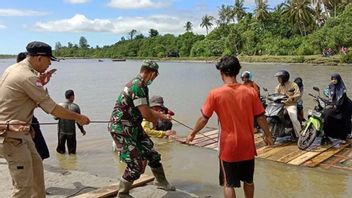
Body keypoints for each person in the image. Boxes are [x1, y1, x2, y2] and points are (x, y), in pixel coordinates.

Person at [0, 41, 90, 198]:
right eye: (49, 60)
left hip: (23, 134)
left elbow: (21, 95)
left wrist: (40, 83)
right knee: (23, 187)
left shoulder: (15, 69)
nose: (49, 64)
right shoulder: (27, 76)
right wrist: (79, 118)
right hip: (11, 136)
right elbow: (52, 109)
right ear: (39, 58)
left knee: (37, 177)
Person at [186, 56, 273, 198]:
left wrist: (193, 133)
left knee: (228, 183)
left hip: (228, 146)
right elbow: (261, 117)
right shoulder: (250, 91)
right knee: (249, 181)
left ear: (221, 73)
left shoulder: (215, 93)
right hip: (247, 144)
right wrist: (268, 135)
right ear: (238, 71)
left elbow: (204, 118)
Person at [108, 60, 175, 198]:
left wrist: (161, 116)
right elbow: (146, 114)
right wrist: (155, 121)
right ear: (151, 73)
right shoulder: (137, 86)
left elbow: (145, 109)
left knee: (152, 154)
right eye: (155, 76)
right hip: (122, 129)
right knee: (136, 165)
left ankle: (161, 182)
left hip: (134, 126)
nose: (154, 79)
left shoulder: (143, 86)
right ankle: (123, 193)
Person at [17, 52, 50, 160]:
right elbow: (47, 105)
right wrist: (78, 117)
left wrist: (41, 84)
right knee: (41, 152)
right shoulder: (25, 78)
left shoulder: (16, 75)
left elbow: (31, 100)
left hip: (26, 119)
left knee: (40, 153)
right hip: (22, 121)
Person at [322, 73, 352, 144]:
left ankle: (343, 137)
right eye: (332, 79)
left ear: (338, 79)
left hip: (343, 107)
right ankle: (327, 134)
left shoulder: (342, 88)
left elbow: (341, 100)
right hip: (334, 105)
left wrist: (335, 105)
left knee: (341, 120)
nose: (333, 81)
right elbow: (328, 94)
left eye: (335, 79)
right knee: (325, 114)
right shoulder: (330, 86)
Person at [56, 89, 86, 154]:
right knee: (72, 153)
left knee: (61, 152)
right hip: (71, 133)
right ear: (72, 96)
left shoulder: (59, 106)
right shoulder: (75, 107)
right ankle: (72, 164)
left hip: (61, 132)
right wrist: (82, 130)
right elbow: (79, 121)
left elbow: (55, 117)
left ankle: (62, 163)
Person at [274, 70, 302, 138]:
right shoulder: (278, 86)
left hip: (290, 105)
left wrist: (291, 97)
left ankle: (300, 135)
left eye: (279, 77)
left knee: (294, 119)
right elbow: (275, 95)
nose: (278, 79)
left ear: (284, 78)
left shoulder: (293, 85)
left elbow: (298, 94)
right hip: (281, 105)